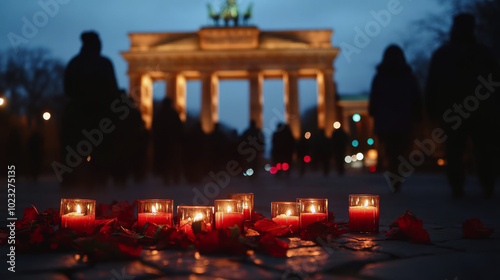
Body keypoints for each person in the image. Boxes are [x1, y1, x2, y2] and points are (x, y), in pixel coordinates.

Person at [425, 14, 500, 198]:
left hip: (452, 110)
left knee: (454, 150)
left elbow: (432, 84)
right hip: (482, 110)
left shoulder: (443, 54)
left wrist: (432, 109)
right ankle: (487, 185)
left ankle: (457, 187)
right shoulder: (484, 53)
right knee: (484, 149)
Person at [62, 31, 120, 186]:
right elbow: (113, 90)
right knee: (101, 147)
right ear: (97, 45)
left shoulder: (74, 62)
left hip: (77, 113)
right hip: (99, 115)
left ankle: (72, 179)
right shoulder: (104, 63)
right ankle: (98, 179)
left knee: (73, 147)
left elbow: (67, 89)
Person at [369, 44, 421, 193]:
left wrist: (374, 114)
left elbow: (374, 99)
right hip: (404, 121)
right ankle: (397, 177)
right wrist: (417, 116)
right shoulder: (408, 76)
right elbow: (416, 97)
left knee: (391, 152)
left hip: (385, 122)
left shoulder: (380, 76)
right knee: (401, 151)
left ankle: (394, 179)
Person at [153, 98, 183, 185]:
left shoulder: (159, 114)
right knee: (173, 160)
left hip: (163, 142)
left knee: (165, 160)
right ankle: (174, 177)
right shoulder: (173, 113)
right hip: (172, 141)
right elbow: (179, 127)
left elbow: (155, 127)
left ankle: (166, 178)